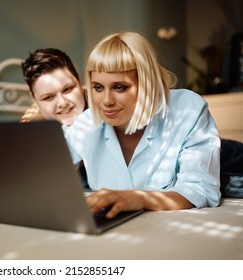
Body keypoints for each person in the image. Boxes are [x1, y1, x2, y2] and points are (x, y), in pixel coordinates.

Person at [64, 31, 221, 218]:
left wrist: (140, 198)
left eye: (119, 87)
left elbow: (201, 189)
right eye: (98, 87)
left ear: (148, 83)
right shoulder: (85, 125)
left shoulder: (187, 109)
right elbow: (45, 175)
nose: (106, 101)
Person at [20, 48, 86, 126]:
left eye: (67, 89)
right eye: (48, 97)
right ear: (34, 99)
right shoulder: (27, 130)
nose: (62, 103)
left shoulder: (101, 107)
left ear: (79, 81)